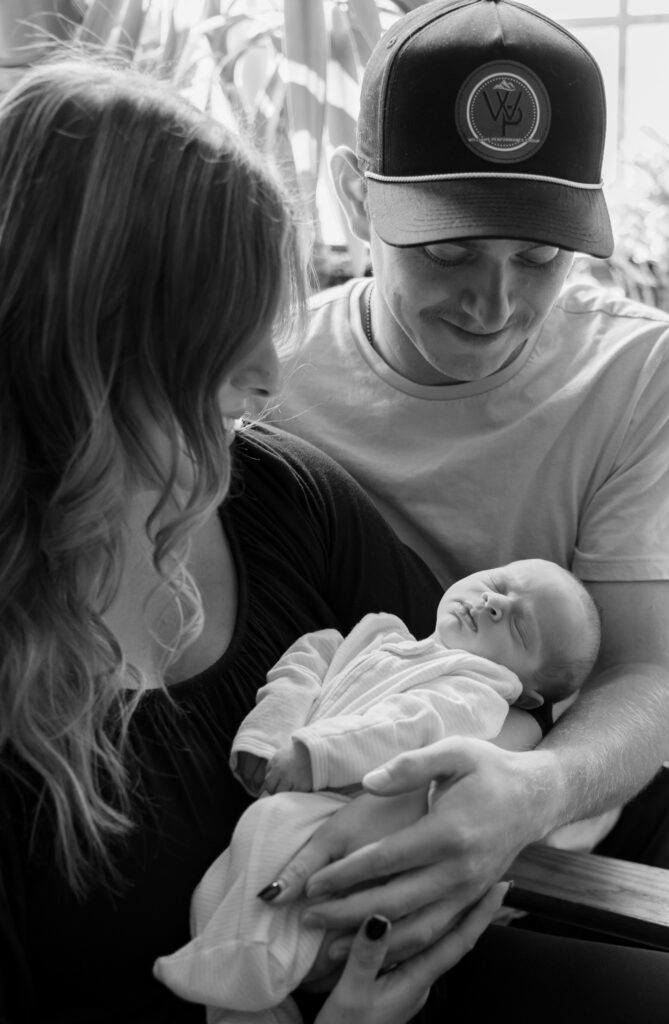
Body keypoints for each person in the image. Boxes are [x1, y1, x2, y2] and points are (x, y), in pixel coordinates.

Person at [0, 52, 513, 1024]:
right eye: (222, 338)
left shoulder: (276, 500)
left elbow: (494, 687)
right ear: (92, 355)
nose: (272, 377)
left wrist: (500, 794)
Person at [261, 0, 669, 1018]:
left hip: (582, 830)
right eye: (446, 253)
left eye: (538, 258)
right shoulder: (271, 374)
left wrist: (530, 792)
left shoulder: (637, 369)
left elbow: (649, 670)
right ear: (354, 196)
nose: (492, 305)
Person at [153, 559, 601, 1024]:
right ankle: (243, 993)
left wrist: (316, 754)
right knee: (219, 886)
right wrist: (268, 736)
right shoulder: (378, 633)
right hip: (307, 801)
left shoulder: (478, 693)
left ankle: (254, 964)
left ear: (526, 695)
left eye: (519, 626)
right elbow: (306, 662)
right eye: (499, 584)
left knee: (268, 826)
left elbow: (406, 726)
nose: (495, 604)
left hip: (347, 816)